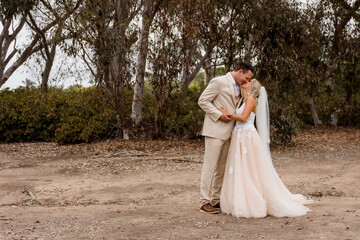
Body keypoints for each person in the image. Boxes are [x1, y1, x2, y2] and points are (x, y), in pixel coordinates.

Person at [218, 79, 312, 218]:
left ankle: (254, 200)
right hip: (239, 136)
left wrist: (228, 114)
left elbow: (244, 118)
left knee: (250, 169)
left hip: (247, 137)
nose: (245, 82)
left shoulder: (251, 99)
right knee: (241, 168)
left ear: (252, 87)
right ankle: (239, 198)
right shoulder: (242, 100)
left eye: (249, 81)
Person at [198, 62, 254, 214]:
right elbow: (202, 101)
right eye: (247, 77)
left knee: (221, 168)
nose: (247, 81)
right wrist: (218, 114)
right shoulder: (218, 82)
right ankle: (204, 201)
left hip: (230, 133)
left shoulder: (240, 87)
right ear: (240, 71)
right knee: (210, 167)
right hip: (215, 131)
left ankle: (216, 200)